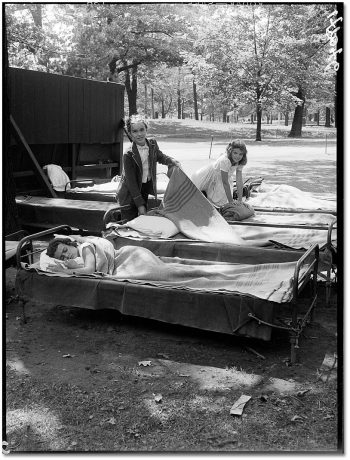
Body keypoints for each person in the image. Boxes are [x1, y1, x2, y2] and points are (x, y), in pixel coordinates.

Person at [115, 114, 181, 221]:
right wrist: (140, 206)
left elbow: (160, 156)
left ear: (146, 129)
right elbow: (131, 183)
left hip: (143, 188)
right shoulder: (128, 154)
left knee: (142, 220)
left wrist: (171, 161)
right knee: (130, 222)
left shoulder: (152, 144)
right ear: (130, 133)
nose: (139, 134)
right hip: (129, 194)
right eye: (135, 131)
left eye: (142, 129)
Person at [191, 140, 247, 207]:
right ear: (230, 151)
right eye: (235, 153)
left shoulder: (240, 161)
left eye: (241, 154)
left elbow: (239, 181)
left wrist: (240, 200)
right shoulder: (225, 161)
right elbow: (225, 182)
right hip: (210, 176)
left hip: (224, 178)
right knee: (212, 199)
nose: (238, 156)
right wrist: (231, 202)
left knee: (223, 201)